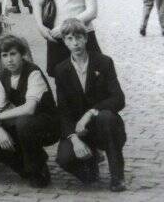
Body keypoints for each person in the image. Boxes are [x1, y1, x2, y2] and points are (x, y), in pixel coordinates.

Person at [54, 19, 126, 192]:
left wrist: (91, 113)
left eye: (79, 37)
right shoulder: (61, 70)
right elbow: (62, 110)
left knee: (106, 116)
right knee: (64, 159)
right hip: (78, 129)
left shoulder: (104, 62)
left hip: (103, 126)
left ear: (86, 38)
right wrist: (74, 139)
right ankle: (91, 165)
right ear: (64, 42)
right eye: (70, 39)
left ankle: (117, 177)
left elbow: (118, 98)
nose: (75, 43)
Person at [0, 35, 58, 188]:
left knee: (24, 122)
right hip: (24, 124)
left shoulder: (33, 72)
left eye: (13, 54)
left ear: (22, 54)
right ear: (1, 58)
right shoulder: (2, 77)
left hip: (48, 124)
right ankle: (26, 168)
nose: (9, 60)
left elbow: (29, 108)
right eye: (5, 55)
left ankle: (36, 169)